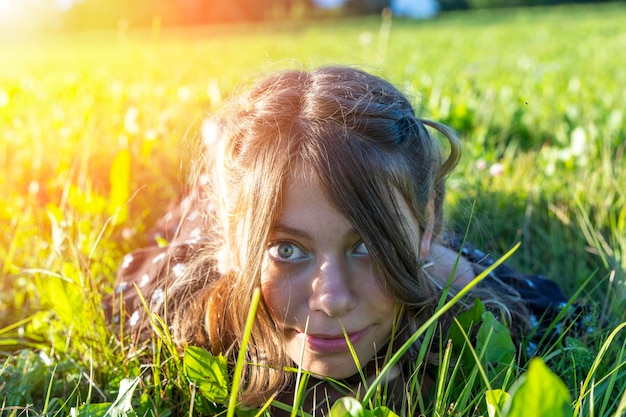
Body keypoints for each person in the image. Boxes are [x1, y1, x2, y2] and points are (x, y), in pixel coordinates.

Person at [105, 65, 574, 414]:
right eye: (286, 249)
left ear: (426, 223)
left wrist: (442, 265)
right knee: (209, 192)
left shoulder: (466, 294)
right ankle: (220, 145)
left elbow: (568, 317)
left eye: (367, 245)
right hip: (207, 220)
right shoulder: (181, 310)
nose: (331, 299)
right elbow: (120, 298)